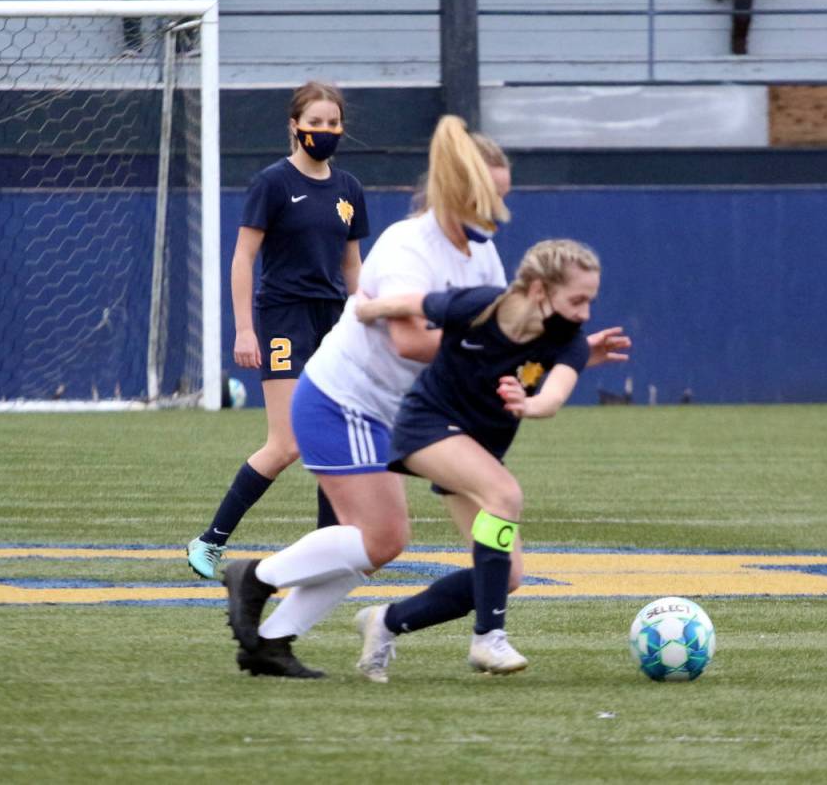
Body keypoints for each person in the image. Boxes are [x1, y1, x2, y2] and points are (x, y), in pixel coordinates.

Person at [220, 116, 632, 679]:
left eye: (503, 199)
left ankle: (274, 639)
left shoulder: (481, 257)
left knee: (499, 569)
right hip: (346, 399)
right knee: (382, 538)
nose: (496, 212)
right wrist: (494, 346)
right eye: (489, 197)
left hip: (421, 414)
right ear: (458, 190)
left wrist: (569, 350)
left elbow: (505, 336)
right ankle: (258, 578)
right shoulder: (409, 245)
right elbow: (413, 341)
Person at [349, 239, 620, 680]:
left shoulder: (567, 341)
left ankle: (387, 621)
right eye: (577, 300)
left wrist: (528, 405)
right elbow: (415, 302)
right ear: (537, 290)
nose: (586, 314)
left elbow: (552, 397)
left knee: (505, 576)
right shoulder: (479, 306)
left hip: (476, 451)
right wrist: (366, 310)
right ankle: (488, 639)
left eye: (590, 300)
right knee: (504, 493)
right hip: (426, 426)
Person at [186, 81, 369, 579]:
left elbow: (353, 268)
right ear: (294, 125)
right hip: (284, 315)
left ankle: (327, 554)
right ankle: (209, 541)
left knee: (335, 438)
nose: (325, 131)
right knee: (287, 444)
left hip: (333, 320)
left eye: (333, 123)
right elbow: (244, 257)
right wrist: (246, 330)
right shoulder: (272, 182)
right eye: (316, 122)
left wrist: (366, 319)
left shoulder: (349, 189)